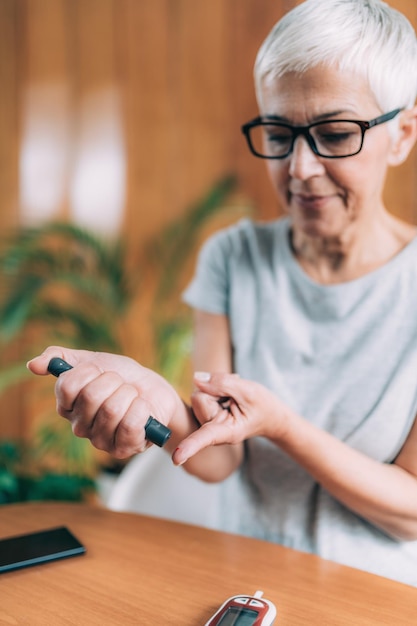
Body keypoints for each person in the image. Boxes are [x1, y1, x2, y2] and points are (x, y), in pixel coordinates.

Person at [28, 0, 417, 586]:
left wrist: (283, 426)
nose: (300, 168)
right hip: (246, 585)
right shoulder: (233, 258)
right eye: (279, 134)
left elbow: (411, 510)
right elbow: (219, 457)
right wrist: (156, 401)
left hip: (375, 599)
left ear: (402, 135)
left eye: (336, 134)